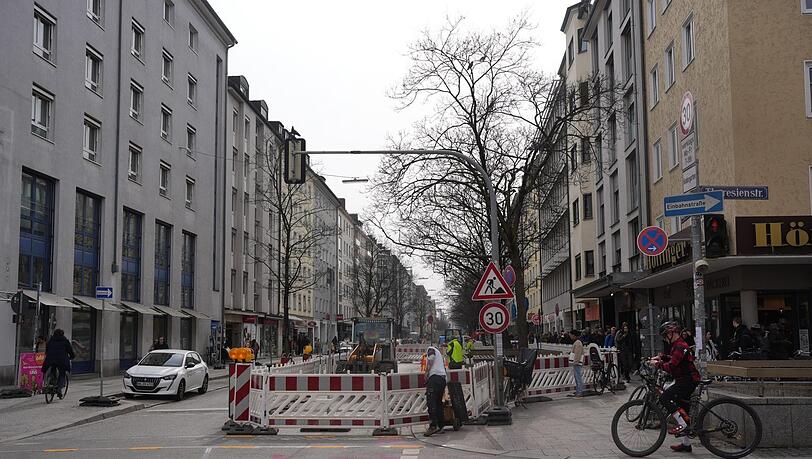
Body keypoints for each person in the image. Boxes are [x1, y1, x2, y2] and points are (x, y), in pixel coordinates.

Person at [651, 321, 701, 453]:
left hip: (687, 380)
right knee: (683, 408)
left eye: (665, 335)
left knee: (664, 397)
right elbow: (673, 358)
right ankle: (686, 444)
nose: (664, 338)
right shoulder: (676, 345)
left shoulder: (680, 345)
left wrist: (658, 365)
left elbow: (672, 365)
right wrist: (661, 357)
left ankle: (683, 424)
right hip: (683, 380)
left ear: (671, 333)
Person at [41, 329, 75, 399]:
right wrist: (72, 356)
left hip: (51, 359)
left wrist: (48, 355)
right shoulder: (65, 341)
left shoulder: (50, 341)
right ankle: (59, 389)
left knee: (53, 368)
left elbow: (47, 350)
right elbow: (70, 350)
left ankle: (51, 381)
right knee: (62, 374)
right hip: (61, 360)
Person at [423, 345, 447, 437]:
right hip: (442, 379)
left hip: (435, 378)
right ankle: (441, 426)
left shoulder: (430, 349)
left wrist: (426, 372)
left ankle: (433, 426)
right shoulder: (440, 356)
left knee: (431, 401)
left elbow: (431, 358)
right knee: (438, 403)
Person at [567, 330, 585, 397]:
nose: (570, 336)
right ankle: (578, 391)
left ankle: (579, 392)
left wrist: (575, 362)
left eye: (571, 335)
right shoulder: (578, 342)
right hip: (577, 362)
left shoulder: (577, 343)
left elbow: (577, 354)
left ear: (574, 335)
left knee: (578, 377)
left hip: (577, 363)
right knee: (577, 377)